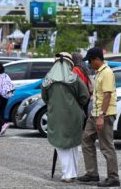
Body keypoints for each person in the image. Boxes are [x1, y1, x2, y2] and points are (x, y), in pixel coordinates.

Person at [41, 52, 88, 183]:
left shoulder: (47, 80)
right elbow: (84, 96)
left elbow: (45, 98)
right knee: (73, 144)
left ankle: (67, 174)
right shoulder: (74, 78)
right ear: (69, 63)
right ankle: (72, 173)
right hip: (74, 115)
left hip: (56, 115)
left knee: (60, 144)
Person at [78, 47, 120, 187]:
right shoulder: (98, 73)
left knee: (106, 146)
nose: (89, 64)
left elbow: (107, 95)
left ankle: (113, 177)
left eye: (90, 61)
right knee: (86, 139)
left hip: (105, 114)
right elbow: (99, 96)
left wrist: (101, 115)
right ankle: (92, 173)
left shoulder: (107, 72)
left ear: (97, 59)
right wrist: (94, 113)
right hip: (95, 114)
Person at [72, 52, 93, 117]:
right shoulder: (85, 69)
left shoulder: (75, 69)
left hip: (80, 97)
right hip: (87, 96)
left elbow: (77, 85)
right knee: (85, 115)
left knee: (81, 117)